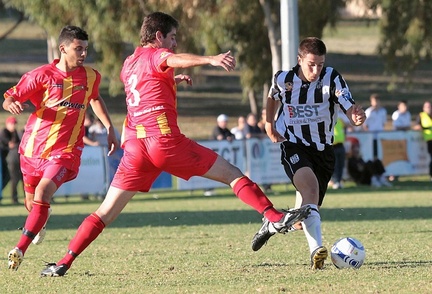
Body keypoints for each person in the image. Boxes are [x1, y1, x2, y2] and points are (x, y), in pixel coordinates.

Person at [39, 12, 311, 277]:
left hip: (134, 148)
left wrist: (173, 79)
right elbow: (171, 58)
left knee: (104, 212)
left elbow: (145, 90)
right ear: (158, 36)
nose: (174, 42)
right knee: (232, 175)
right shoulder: (158, 55)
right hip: (164, 141)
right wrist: (211, 59)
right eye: (172, 36)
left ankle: (64, 262)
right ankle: (274, 216)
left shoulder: (129, 62)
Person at [4, 25, 119, 271]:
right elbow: (11, 96)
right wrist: (11, 103)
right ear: (63, 48)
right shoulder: (41, 75)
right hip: (32, 149)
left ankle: (19, 249)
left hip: (65, 151)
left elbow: (95, 98)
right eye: (78, 49)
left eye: (86, 49)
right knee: (32, 203)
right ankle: (39, 220)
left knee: (43, 193)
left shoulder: (90, 76)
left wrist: (109, 127)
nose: (83, 54)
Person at [250, 37, 366, 270]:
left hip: (323, 152)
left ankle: (271, 225)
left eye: (320, 64)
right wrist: (269, 123)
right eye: (311, 64)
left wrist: (356, 115)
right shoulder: (284, 79)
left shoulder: (332, 78)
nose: (316, 70)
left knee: (302, 219)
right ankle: (316, 252)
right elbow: (272, 96)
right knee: (309, 189)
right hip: (294, 145)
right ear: (300, 60)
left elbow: (347, 104)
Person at [0, 116, 23, 204]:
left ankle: (17, 198)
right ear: (7, 124)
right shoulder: (4, 132)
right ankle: (14, 198)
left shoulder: (15, 133)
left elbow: (15, 144)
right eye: (12, 124)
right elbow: (10, 145)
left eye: (14, 124)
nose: (13, 126)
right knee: (13, 179)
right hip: (7, 160)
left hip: (14, 159)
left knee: (15, 179)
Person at [363, 93, 387, 158]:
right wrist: (368, 134)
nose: (376, 103)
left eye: (377, 101)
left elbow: (383, 123)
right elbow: (365, 125)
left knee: (380, 154)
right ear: (371, 102)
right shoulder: (368, 112)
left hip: (380, 136)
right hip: (371, 137)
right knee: (372, 154)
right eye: (374, 101)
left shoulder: (383, 111)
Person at [413, 101, 432, 181]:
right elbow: (416, 126)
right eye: (427, 107)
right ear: (424, 108)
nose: (429, 108)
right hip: (429, 140)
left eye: (430, 107)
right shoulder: (421, 116)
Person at [330, 116, 346, 189]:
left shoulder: (339, 119)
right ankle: (335, 181)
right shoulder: (328, 119)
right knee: (335, 165)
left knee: (341, 165)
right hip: (333, 145)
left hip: (340, 145)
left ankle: (339, 181)